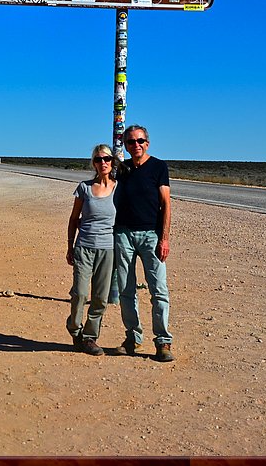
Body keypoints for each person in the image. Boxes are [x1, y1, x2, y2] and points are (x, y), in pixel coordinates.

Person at [112, 125, 175, 362]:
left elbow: (166, 204)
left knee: (158, 289)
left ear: (147, 143)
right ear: (126, 146)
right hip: (123, 235)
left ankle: (163, 341)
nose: (135, 145)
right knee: (126, 291)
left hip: (151, 235)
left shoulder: (158, 167)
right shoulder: (123, 169)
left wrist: (165, 238)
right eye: (130, 142)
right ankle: (132, 338)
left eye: (139, 141)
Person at [66, 144, 118, 356]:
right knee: (79, 293)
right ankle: (74, 327)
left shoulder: (119, 189)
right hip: (84, 247)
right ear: (93, 163)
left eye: (106, 158)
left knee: (100, 297)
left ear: (112, 161)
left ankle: (90, 338)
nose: (103, 163)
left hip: (109, 249)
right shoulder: (84, 188)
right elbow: (73, 219)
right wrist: (70, 246)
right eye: (98, 159)